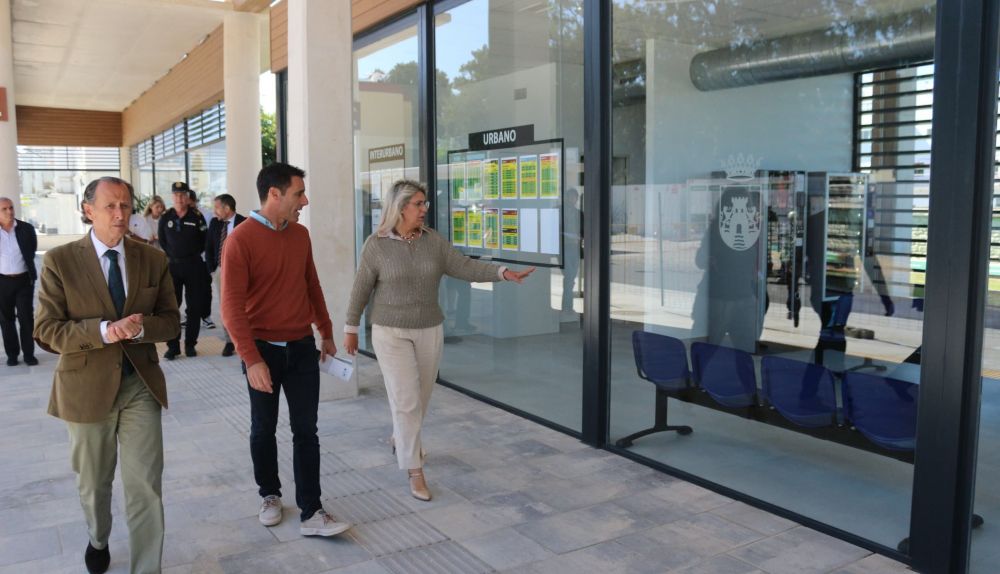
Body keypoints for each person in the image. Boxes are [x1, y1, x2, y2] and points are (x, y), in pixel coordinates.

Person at [343, 179, 535, 501]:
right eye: (418, 204)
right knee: (406, 401)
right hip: (390, 331)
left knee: (420, 398)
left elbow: (464, 266)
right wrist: (350, 328)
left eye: (424, 204)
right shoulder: (376, 245)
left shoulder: (433, 241)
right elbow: (361, 288)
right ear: (401, 207)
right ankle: (414, 468)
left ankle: (400, 438)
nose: (424, 210)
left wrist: (502, 272)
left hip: (429, 328)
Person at [34, 176, 180, 574]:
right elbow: (46, 330)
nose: (120, 215)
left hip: (139, 386)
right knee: (93, 484)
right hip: (85, 390)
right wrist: (104, 330)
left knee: (146, 486)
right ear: (88, 210)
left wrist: (141, 328)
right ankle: (98, 536)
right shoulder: (60, 261)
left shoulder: (153, 259)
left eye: (126, 206)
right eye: (110, 207)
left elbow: (171, 322)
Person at [221, 162, 350, 537]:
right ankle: (270, 494)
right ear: (274, 194)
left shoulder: (300, 235)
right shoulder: (240, 240)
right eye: (298, 194)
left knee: (306, 430)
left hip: (301, 347)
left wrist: (324, 331)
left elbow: (312, 285)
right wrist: (251, 359)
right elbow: (230, 307)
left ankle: (312, 511)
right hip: (263, 350)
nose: (304, 201)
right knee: (263, 428)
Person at [158, 182, 210, 359]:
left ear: (187, 197)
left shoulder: (197, 216)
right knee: (172, 306)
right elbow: (163, 241)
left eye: (183, 195)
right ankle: (173, 346)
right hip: (173, 266)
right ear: (172, 197)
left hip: (194, 265)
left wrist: (192, 254)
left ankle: (190, 345)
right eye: (176, 195)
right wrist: (173, 255)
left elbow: (205, 239)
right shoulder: (166, 217)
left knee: (194, 306)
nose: (179, 198)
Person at [205, 193, 245, 356]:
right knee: (226, 306)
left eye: (217, 207)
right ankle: (229, 341)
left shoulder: (244, 222)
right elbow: (208, 246)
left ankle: (245, 339)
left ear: (227, 208)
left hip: (242, 272)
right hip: (221, 271)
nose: (215, 211)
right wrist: (212, 269)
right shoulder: (215, 223)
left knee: (244, 306)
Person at [0, 197, 37, 366]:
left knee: (26, 318)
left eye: (11, 207)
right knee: (6, 320)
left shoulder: (26, 229)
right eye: (4, 209)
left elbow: (32, 249)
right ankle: (12, 355)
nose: (9, 211)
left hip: (23, 280)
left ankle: (29, 354)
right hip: (2, 282)